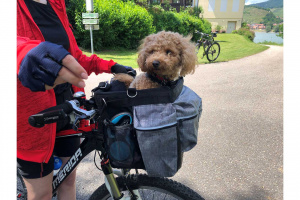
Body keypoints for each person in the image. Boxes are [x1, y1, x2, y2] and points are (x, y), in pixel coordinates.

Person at [17, 0, 135, 199]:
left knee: (68, 180)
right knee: (41, 193)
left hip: (68, 107)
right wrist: (21, 52)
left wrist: (111, 66)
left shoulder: (56, 5)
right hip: (32, 118)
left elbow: (73, 58)